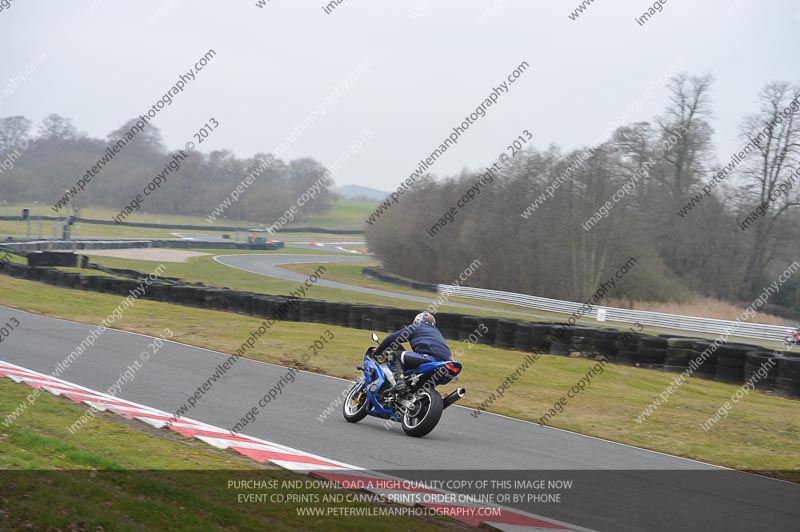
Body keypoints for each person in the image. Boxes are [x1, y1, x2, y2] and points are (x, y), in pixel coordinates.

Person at [374, 311, 452, 394]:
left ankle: (399, 383)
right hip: (446, 364)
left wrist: (378, 352)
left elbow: (392, 338)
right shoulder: (436, 332)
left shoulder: (417, 327)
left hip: (431, 359)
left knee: (395, 355)